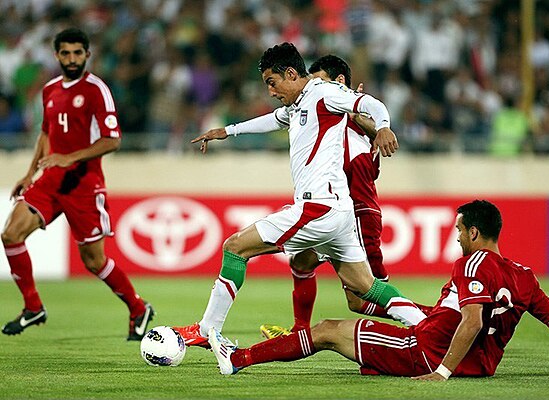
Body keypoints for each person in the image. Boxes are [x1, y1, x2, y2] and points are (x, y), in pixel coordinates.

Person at [173, 43, 427, 347]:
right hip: (338, 212)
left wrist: (384, 127)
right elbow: (272, 119)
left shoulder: (324, 92)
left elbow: (371, 104)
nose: (270, 91)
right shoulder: (298, 104)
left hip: (318, 206)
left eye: (272, 82)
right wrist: (227, 131)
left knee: (235, 247)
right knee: (366, 286)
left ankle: (206, 331)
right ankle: (432, 326)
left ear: (291, 73)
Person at [208, 200, 549, 381]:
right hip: (476, 363)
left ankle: (237, 358)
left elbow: (472, 319)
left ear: (475, 233)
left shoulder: (472, 263)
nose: (457, 236)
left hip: (426, 352)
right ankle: (376, 344)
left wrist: (442, 372)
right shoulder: (525, 274)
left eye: (460, 230)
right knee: (366, 312)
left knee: (327, 329)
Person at [260, 55, 429, 340]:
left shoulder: (353, 125)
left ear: (339, 84)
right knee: (301, 261)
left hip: (357, 217)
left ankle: (434, 321)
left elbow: (370, 146)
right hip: (331, 213)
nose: (310, 90)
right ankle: (300, 330)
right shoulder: (328, 119)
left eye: (319, 83)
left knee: (363, 299)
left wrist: (365, 118)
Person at [1, 28, 154, 340]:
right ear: (57, 55)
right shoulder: (50, 90)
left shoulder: (97, 89)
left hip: (84, 185)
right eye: (66, 53)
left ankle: (138, 308)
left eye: (77, 53)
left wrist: (69, 158)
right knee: (10, 234)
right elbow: (45, 134)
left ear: (88, 54)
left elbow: (113, 140)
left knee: (94, 261)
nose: (72, 59)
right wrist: (30, 173)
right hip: (50, 181)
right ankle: (33, 307)